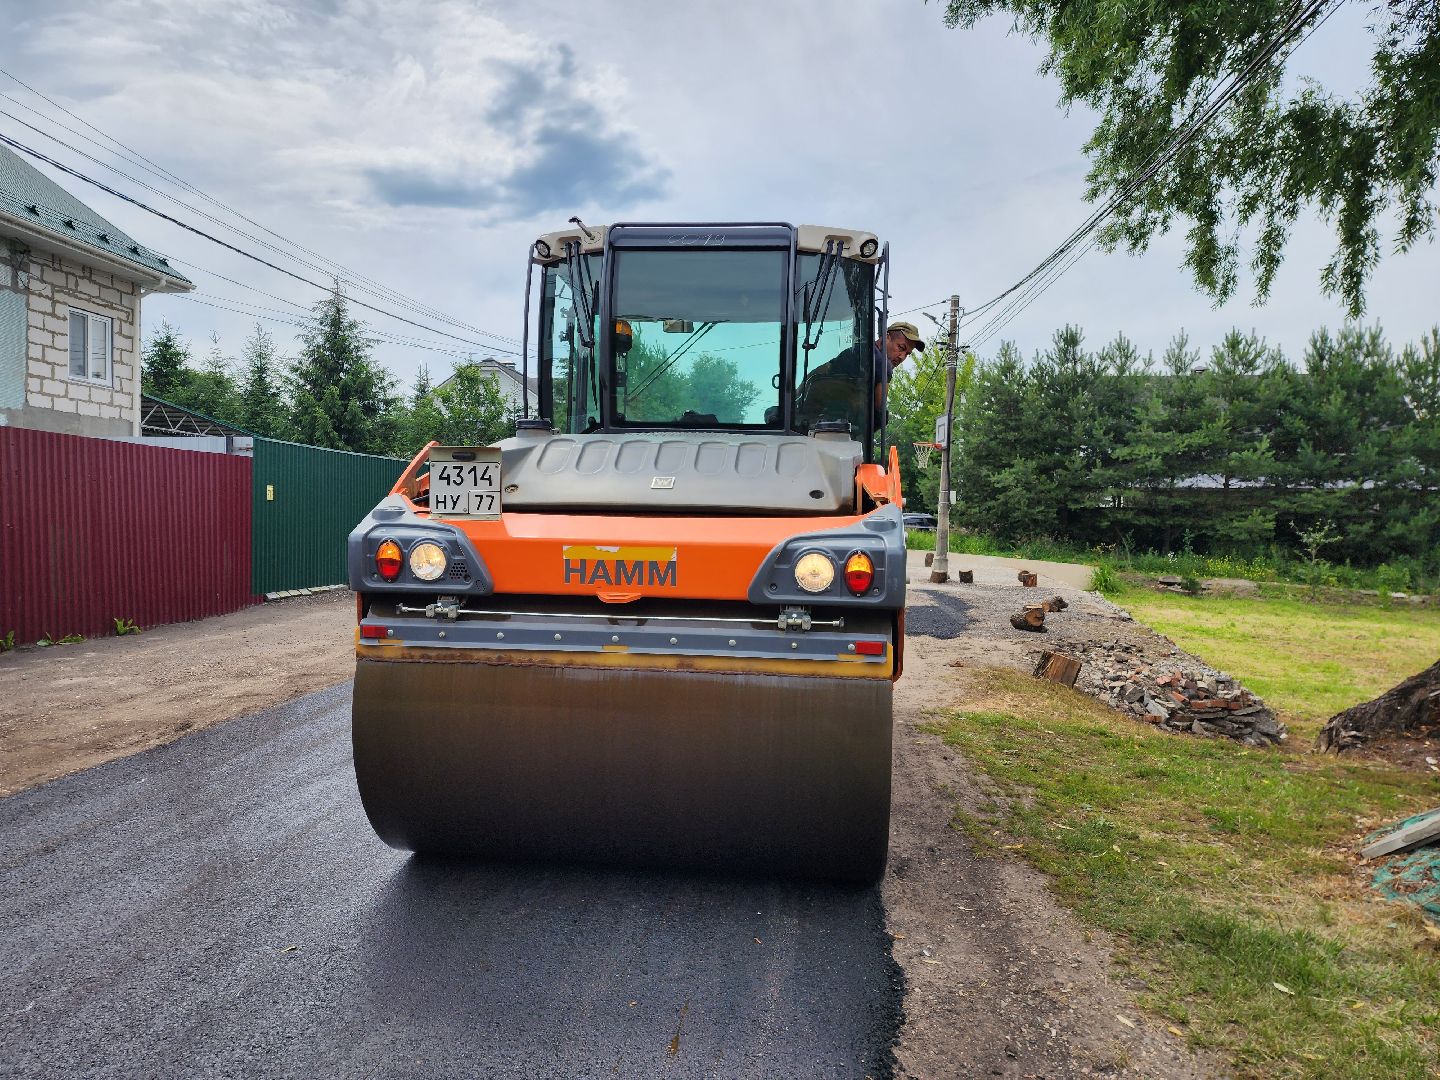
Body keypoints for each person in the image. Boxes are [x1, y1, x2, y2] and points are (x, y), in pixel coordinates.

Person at [795, 321, 925, 433]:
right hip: (828, 426)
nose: (902, 356)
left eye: (907, 354)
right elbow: (879, 411)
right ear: (886, 337)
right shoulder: (883, 365)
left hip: (807, 420)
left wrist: (796, 393)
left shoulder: (856, 350)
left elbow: (818, 371)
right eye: (901, 347)